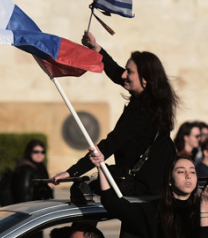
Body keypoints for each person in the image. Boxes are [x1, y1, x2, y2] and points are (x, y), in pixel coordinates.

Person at [52, 32, 177, 196]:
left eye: (129, 72)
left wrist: (72, 172)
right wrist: (97, 49)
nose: (124, 75)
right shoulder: (154, 102)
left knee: (85, 193)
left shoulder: (144, 110)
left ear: (145, 79)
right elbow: (116, 72)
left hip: (143, 189)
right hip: (150, 185)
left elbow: (111, 144)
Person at [0, 140, 54, 238]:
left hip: (35, 215)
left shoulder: (39, 167)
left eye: (42, 152)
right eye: (36, 151)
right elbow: (24, 197)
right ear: (29, 152)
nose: (39, 155)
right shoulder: (26, 169)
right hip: (29, 216)